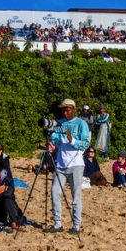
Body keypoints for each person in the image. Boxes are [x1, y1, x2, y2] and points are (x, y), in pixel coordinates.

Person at [44, 99, 91, 235]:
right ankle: (57, 223)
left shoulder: (81, 124)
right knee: (54, 191)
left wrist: (73, 140)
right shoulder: (60, 123)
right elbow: (57, 141)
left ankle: (76, 226)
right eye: (63, 110)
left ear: (74, 109)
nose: (65, 112)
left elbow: (86, 144)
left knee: (75, 196)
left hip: (76, 164)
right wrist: (52, 138)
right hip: (60, 164)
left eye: (68, 110)